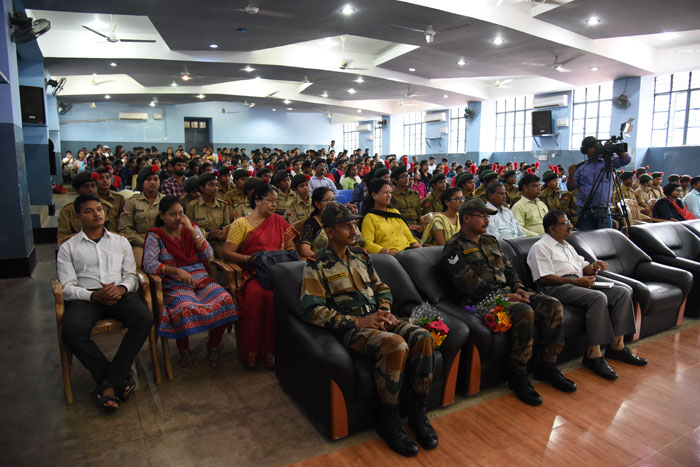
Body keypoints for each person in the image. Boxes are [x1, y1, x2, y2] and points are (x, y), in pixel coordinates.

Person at [300, 202, 437, 457]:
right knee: (395, 345)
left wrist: (384, 309)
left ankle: (418, 412)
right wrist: (357, 322)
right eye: (346, 226)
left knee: (423, 337)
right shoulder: (316, 264)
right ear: (329, 231)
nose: (353, 230)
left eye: (354, 224)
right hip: (352, 329)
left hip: (378, 319)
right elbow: (311, 310)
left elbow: (382, 288)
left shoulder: (362, 256)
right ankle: (389, 419)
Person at [441, 198, 575, 406]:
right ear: (466, 218)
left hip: (508, 294)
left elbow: (509, 270)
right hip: (479, 301)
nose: (487, 220)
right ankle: (518, 373)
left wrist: (519, 287)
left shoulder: (491, 241)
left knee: (552, 304)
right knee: (523, 311)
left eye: (488, 216)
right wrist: (504, 296)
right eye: (482, 216)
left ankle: (547, 365)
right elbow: (467, 284)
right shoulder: (453, 247)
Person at [57, 194, 153, 412]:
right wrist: (93, 295)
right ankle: (117, 379)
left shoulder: (120, 242)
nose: (96, 214)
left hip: (118, 293)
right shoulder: (68, 247)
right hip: (87, 297)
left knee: (144, 318)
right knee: (71, 331)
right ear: (78, 216)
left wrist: (120, 288)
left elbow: (130, 275)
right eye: (89, 211)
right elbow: (67, 287)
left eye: (99, 209)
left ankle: (108, 383)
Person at [527, 210, 647, 380]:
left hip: (577, 283)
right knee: (598, 297)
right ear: (552, 229)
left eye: (569, 221)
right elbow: (544, 278)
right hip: (556, 288)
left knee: (623, 291)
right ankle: (593, 355)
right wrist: (577, 282)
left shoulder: (567, 245)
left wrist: (594, 266)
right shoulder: (540, 247)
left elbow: (583, 267)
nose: (569, 226)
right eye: (564, 223)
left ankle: (617, 347)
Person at [143, 196, 237, 368]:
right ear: (162, 215)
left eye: (181, 213)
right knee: (184, 306)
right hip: (174, 281)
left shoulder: (192, 229)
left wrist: (192, 230)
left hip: (200, 277)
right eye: (172, 214)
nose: (178, 218)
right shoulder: (156, 235)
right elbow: (149, 264)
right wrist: (176, 270)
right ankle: (184, 349)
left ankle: (213, 345)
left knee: (225, 299)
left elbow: (208, 255)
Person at [222, 183, 294, 368]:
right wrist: (250, 259)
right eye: (270, 200)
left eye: (276, 201)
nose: (274, 205)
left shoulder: (279, 221)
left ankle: (273, 352)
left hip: (277, 271)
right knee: (256, 297)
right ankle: (252, 351)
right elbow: (227, 253)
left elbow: (291, 245)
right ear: (257, 200)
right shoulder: (241, 224)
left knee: (278, 298)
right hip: (253, 272)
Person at [568, 136, 631, 230]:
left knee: (605, 238)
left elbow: (626, 159)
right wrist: (571, 175)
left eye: (596, 146)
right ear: (585, 150)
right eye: (592, 147)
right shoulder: (581, 168)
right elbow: (571, 187)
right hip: (585, 211)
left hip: (603, 209)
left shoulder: (608, 162)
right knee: (586, 240)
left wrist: (615, 149)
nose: (596, 148)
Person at [119, 165, 165, 266]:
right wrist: (144, 242)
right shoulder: (132, 202)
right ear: (142, 182)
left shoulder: (166, 201)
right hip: (140, 242)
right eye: (148, 179)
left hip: (164, 241)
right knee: (139, 265)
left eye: (155, 179)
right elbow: (125, 229)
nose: (153, 182)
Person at [361, 179, 421, 254]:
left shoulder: (395, 212)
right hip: (388, 258)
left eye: (390, 192)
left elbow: (409, 236)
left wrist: (418, 247)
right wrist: (388, 252)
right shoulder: (370, 217)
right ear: (374, 195)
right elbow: (367, 244)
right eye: (386, 192)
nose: (389, 196)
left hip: (407, 252)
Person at [58, 172, 118, 240]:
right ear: (77, 190)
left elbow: (113, 234)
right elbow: (62, 237)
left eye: (93, 186)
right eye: (85, 186)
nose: (90, 189)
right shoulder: (68, 210)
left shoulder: (107, 207)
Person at [185, 172, 231, 258]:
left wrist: (221, 233)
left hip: (218, 241)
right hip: (200, 241)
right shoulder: (193, 206)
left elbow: (227, 226)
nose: (215, 188)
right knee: (208, 259)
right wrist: (207, 234)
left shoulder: (223, 205)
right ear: (202, 188)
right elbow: (189, 229)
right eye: (211, 185)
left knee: (227, 255)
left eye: (216, 185)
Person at [299, 187, 335, 259]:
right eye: (328, 200)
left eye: (333, 200)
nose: (333, 203)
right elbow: (304, 250)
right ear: (317, 204)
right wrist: (320, 260)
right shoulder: (311, 223)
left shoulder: (339, 220)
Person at [390, 166, 423, 234]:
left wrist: (421, 225)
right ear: (395, 180)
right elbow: (392, 219)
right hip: (401, 227)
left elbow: (419, 213)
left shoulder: (414, 194)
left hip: (416, 226)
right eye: (403, 176)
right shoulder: (391, 196)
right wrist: (408, 226)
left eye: (407, 176)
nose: (407, 178)